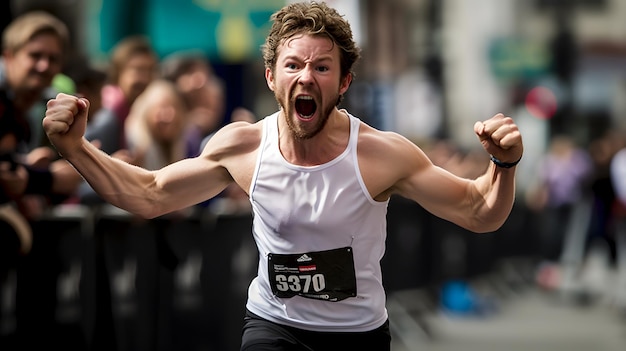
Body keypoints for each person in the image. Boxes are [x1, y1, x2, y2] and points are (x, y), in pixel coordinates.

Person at [42, 2, 523, 350]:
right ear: (272, 77)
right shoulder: (243, 147)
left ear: (344, 81)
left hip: (356, 336)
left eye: (322, 66)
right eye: (293, 65)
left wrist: (502, 165)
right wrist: (76, 149)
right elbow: (148, 194)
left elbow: (479, 211)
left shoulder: (382, 154)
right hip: (274, 328)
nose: (306, 77)